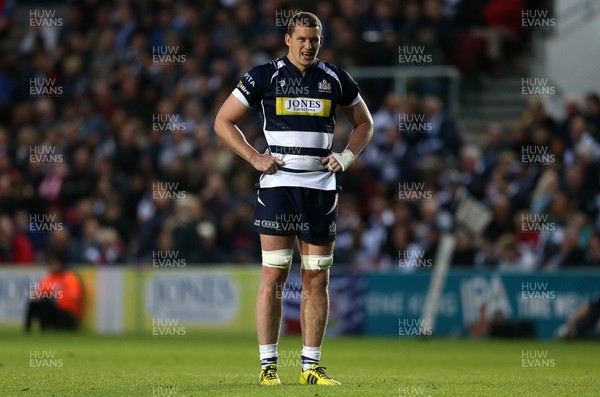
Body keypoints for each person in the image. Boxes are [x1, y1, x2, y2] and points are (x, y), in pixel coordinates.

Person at [214, 12, 373, 386]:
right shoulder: (264, 76)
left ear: (321, 40)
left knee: (317, 278)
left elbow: (364, 123)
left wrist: (347, 156)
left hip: (321, 189)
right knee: (274, 274)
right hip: (278, 188)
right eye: (301, 39)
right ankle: (269, 367)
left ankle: (310, 368)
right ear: (288, 39)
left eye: (314, 40)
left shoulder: (335, 79)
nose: (307, 46)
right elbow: (223, 120)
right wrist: (255, 157)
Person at [25, 254, 84, 332]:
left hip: (66, 313)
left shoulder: (69, 278)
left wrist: (56, 298)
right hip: (53, 309)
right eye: (51, 264)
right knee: (35, 301)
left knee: (46, 300)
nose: (53, 266)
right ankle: (28, 328)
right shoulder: (50, 278)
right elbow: (40, 292)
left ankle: (45, 327)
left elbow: (74, 296)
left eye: (55, 264)